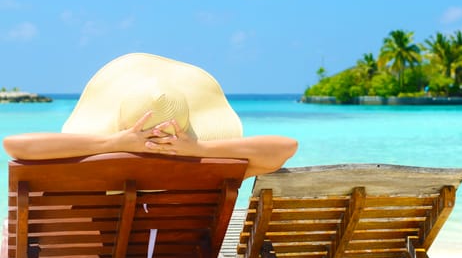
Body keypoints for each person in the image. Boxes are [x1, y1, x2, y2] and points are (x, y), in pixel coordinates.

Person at [2, 53, 298, 178]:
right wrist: (199, 149)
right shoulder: (210, 170)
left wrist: (112, 144)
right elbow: (285, 147)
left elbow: (16, 146)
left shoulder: (92, 167)